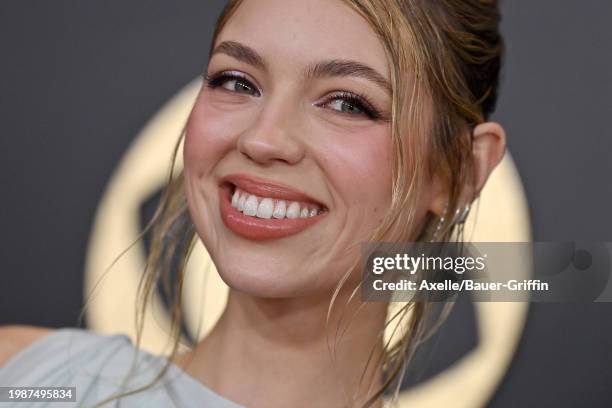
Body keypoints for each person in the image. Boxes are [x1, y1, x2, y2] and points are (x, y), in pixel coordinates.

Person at [0, 0, 506, 406]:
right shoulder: (28, 381)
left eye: (347, 103)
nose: (263, 141)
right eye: (237, 82)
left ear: (458, 171)